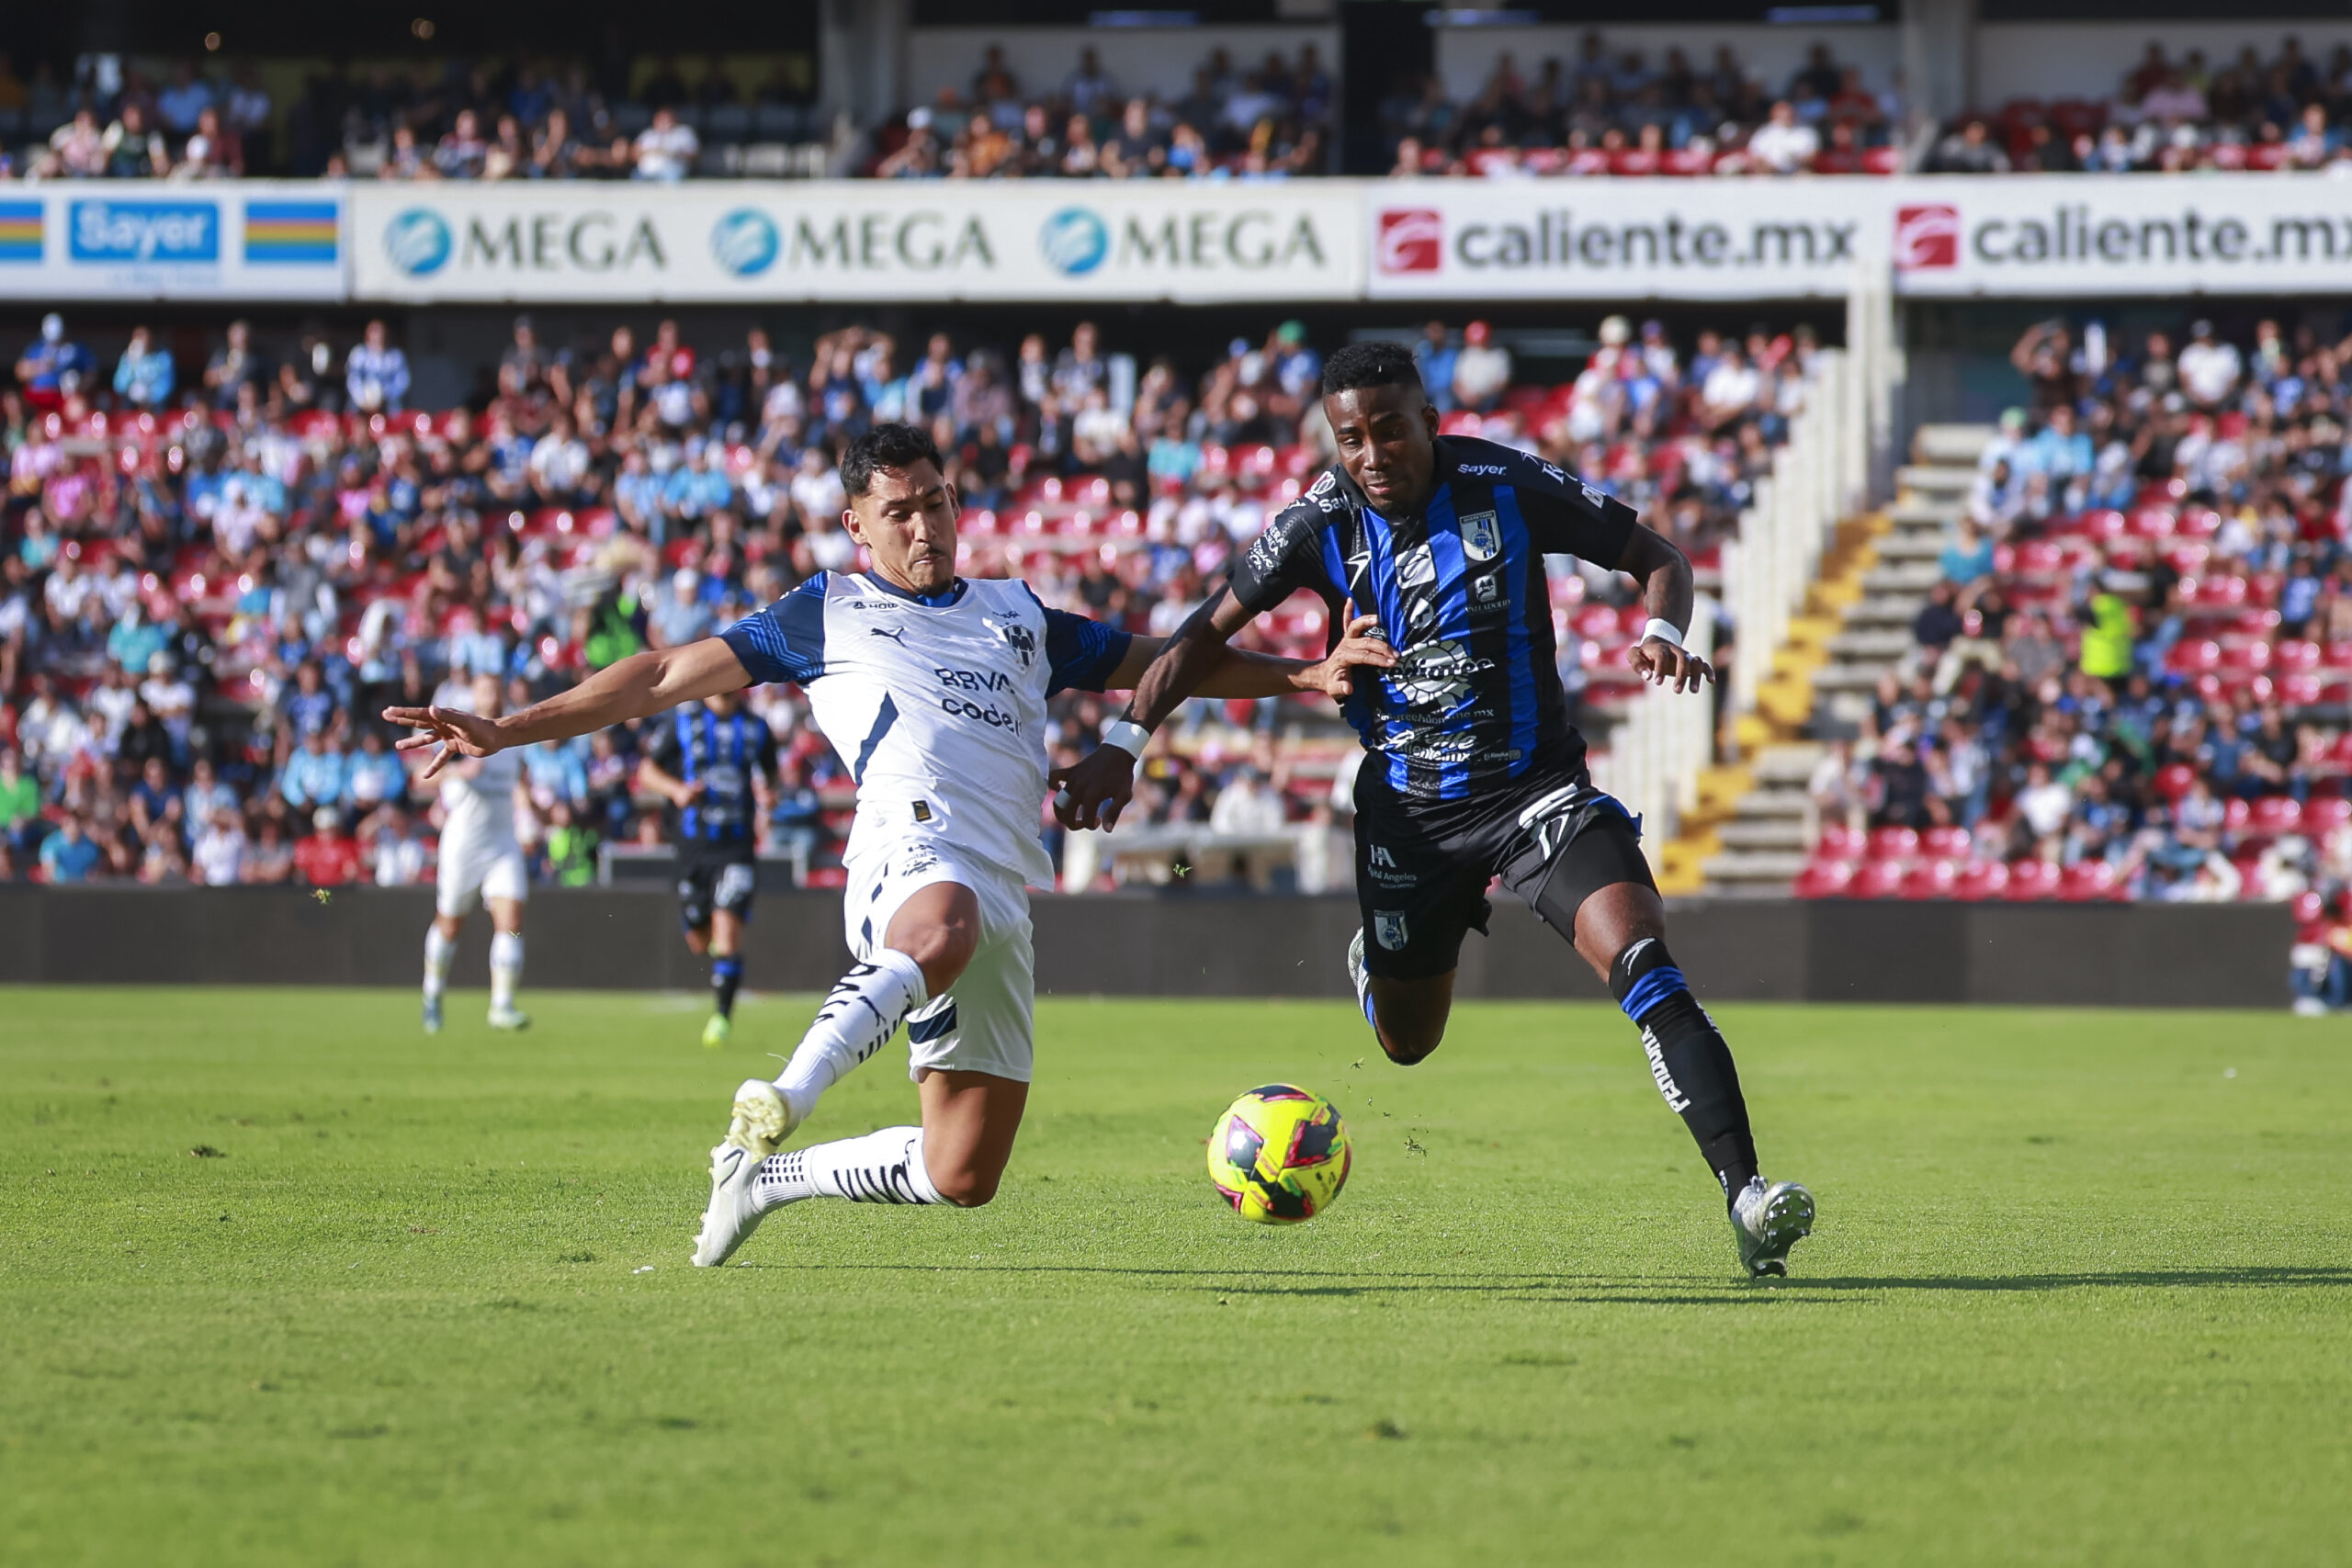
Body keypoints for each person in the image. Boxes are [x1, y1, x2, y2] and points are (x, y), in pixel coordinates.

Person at [387, 423, 1387, 1267]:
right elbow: (655, 677)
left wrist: (1301, 675)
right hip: (908, 852)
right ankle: (783, 1094)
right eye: (899, 511)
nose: (925, 526)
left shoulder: (1015, 614)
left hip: (1003, 881)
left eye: (937, 503)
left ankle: (766, 1179)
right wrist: (509, 726)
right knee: (940, 923)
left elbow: (1159, 662)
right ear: (855, 524)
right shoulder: (824, 611)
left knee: (963, 1175)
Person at [1052, 342, 1817, 1279]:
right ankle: (1377, 966)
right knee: (1407, 1045)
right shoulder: (1316, 523)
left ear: (1429, 421)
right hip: (1411, 816)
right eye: (1350, 439)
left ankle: (1745, 1196)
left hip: (1537, 793)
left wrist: (1661, 629)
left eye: (1389, 431)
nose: (1372, 454)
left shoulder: (1504, 482)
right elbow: (1194, 639)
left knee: (1643, 961)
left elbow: (1654, 556)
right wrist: (1126, 743)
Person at [639, 687, 779, 1047]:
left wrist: (769, 795)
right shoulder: (683, 722)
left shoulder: (756, 727)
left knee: (727, 928)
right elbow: (647, 770)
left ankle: (721, 1017)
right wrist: (677, 790)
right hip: (693, 848)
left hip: (736, 846)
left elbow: (770, 774)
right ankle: (722, 963)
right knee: (699, 940)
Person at [417, 672, 531, 1033]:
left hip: (502, 842)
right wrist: (459, 773)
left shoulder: (514, 734)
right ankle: (432, 993)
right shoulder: (460, 732)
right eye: (485, 690)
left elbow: (520, 783)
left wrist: (529, 814)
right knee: (450, 924)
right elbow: (424, 777)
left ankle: (502, 1004)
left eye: (496, 689)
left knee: (511, 922)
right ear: (475, 696)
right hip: (464, 844)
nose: (492, 695)